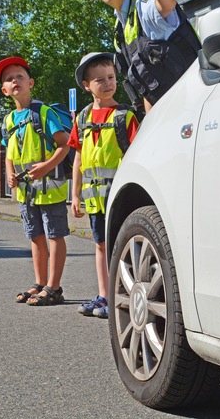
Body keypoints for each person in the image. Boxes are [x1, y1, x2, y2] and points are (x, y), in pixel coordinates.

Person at [75, 0, 201, 114]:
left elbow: (166, 6)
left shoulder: (143, 3)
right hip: (171, 114)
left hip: (196, 104)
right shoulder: (120, 27)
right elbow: (149, 89)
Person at [68, 52, 139, 319]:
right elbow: (77, 158)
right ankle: (104, 296)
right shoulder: (83, 118)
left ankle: (122, 296)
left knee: (121, 245)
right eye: (100, 80)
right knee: (100, 245)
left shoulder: (124, 117)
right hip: (95, 198)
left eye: (111, 77)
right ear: (86, 85)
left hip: (120, 197)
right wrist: (74, 195)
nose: (108, 83)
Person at [0, 56, 70, 306]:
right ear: (4, 91)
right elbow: (8, 153)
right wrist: (9, 174)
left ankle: (54, 287)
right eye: (8, 79)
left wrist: (47, 166)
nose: (14, 80)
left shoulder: (42, 112)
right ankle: (39, 283)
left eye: (19, 76)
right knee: (35, 236)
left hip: (51, 189)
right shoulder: (8, 120)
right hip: (27, 192)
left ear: (31, 83)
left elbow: (64, 145)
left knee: (54, 235)